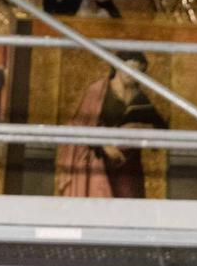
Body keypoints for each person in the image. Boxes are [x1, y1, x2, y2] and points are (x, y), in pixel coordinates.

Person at [58, 51, 169, 199]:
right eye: (128, 69)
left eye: (137, 71)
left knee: (129, 209)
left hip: (129, 167)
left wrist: (140, 128)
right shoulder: (98, 91)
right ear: (116, 67)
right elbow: (80, 125)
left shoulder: (140, 97)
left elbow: (160, 128)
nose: (132, 74)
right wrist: (104, 144)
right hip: (98, 163)